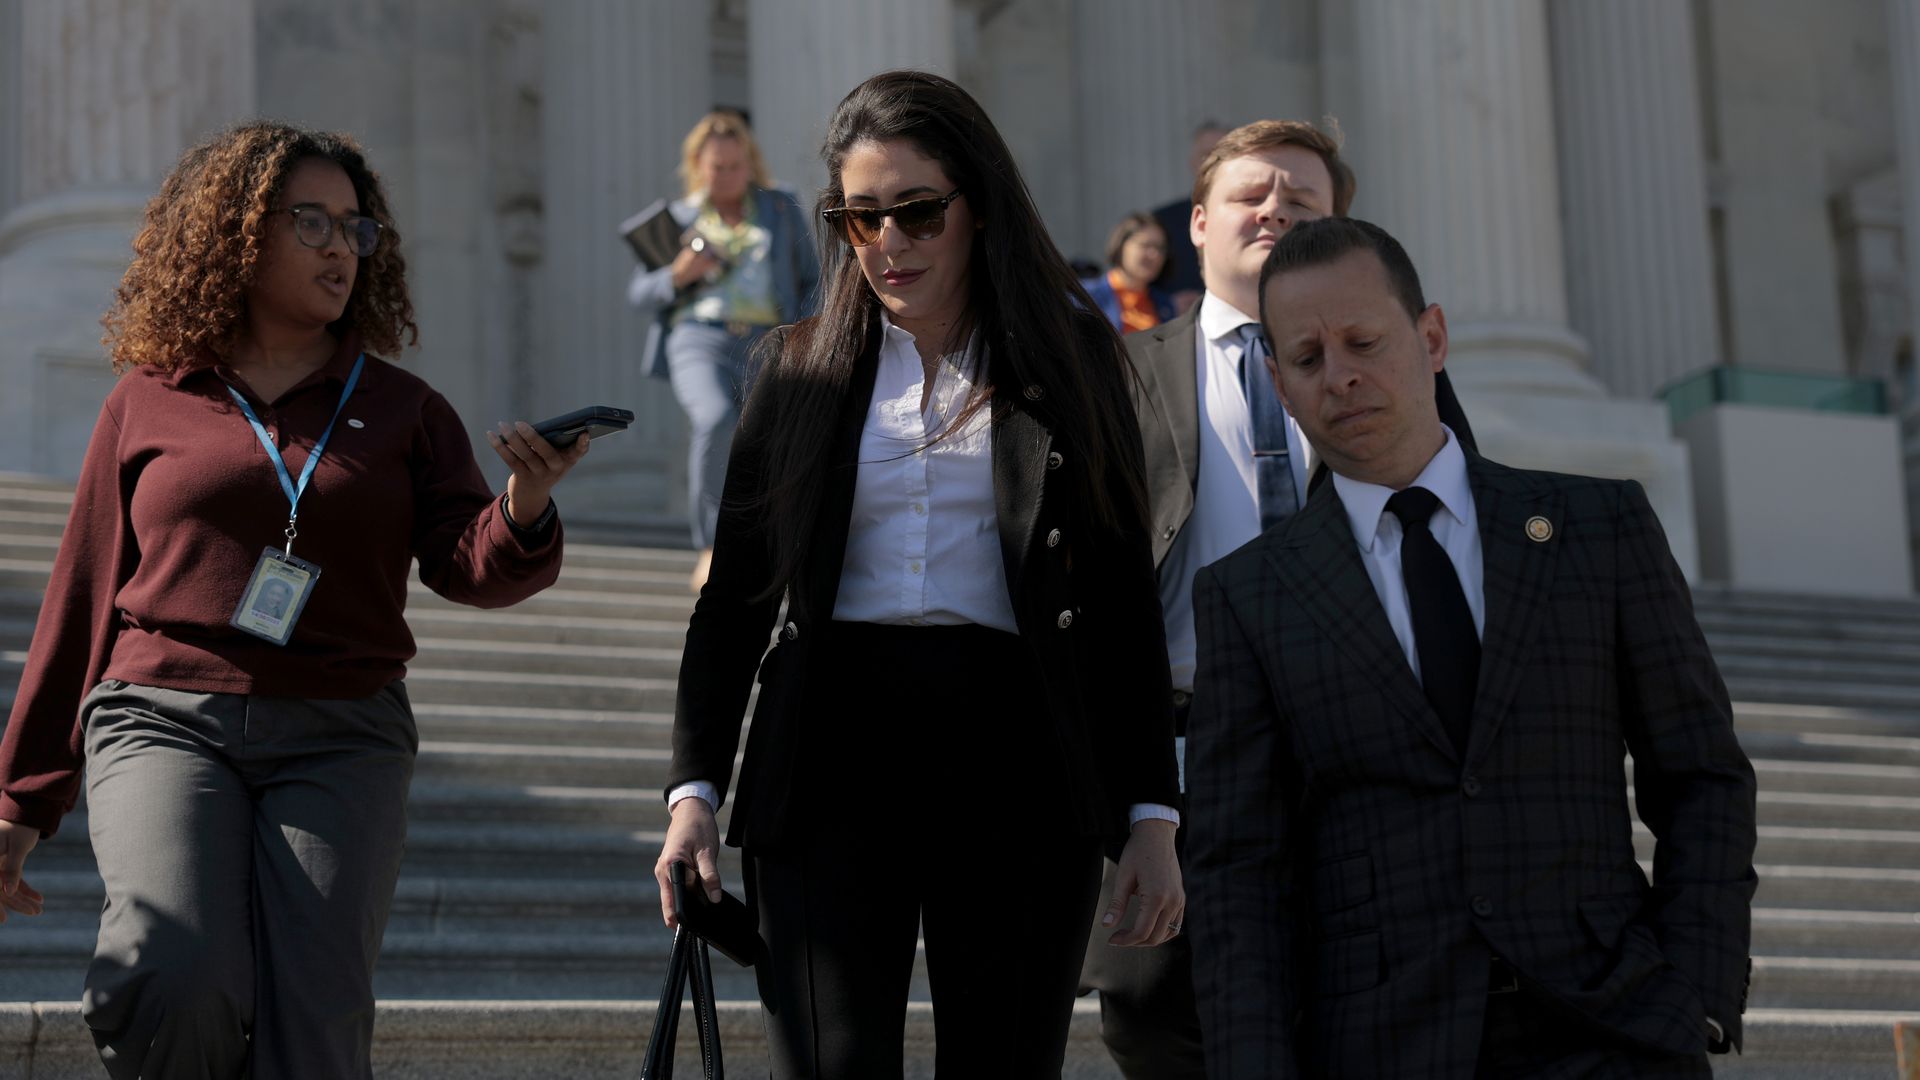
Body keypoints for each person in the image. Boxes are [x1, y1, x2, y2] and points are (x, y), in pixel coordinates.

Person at [0, 121, 585, 1079]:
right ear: (235, 231)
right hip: (162, 719)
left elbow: (470, 566)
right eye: (308, 219)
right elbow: (82, 593)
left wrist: (523, 502)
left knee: (314, 1025)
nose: (336, 247)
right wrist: (21, 797)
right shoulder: (150, 398)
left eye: (354, 229)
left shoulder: (404, 407)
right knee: (174, 975)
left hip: (341, 733)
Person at [653, 69, 1184, 1077]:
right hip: (827, 753)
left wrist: (1152, 815)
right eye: (860, 218)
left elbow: (1119, 594)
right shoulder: (797, 367)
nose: (889, 243)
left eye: (917, 212)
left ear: (976, 208)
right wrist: (692, 795)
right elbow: (732, 605)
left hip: (1020, 751)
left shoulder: (1070, 358)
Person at [1186, 216, 1759, 1077]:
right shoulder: (1248, 595)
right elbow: (1239, 875)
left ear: (1432, 337)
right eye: (1306, 360)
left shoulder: (1598, 530)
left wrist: (1700, 996)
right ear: (1279, 381)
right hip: (1381, 1045)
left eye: (1364, 342)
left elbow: (1701, 776)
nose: (1340, 376)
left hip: (1615, 1028)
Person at [1080, 117, 1479, 1080]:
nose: (1273, 211)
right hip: (1174, 744)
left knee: (1351, 1004)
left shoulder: (1395, 372)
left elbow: (1455, 532)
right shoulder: (1116, 370)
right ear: (1200, 225)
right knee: (1150, 1008)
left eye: (1301, 203)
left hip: (1351, 738)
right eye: (1251, 196)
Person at [623, 110, 820, 592]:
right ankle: (710, 545)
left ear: (750, 163)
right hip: (699, 336)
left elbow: (811, 278)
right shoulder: (682, 217)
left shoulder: (781, 207)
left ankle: (772, 543)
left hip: (766, 340)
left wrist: (808, 335)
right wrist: (678, 274)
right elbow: (639, 294)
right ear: (698, 166)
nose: (727, 175)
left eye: (735, 165)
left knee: (765, 439)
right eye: (717, 166)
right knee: (714, 420)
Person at [1150, 120, 1228, 312]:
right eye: (1205, 154)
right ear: (1192, 161)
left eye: (1221, 155)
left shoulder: (1259, 217)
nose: (1212, 161)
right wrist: (1167, 303)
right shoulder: (1162, 220)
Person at [1083, 212, 1177, 334]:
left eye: (1161, 248)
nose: (1155, 255)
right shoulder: (1086, 296)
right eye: (1146, 245)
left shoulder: (1165, 304)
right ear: (1121, 246)